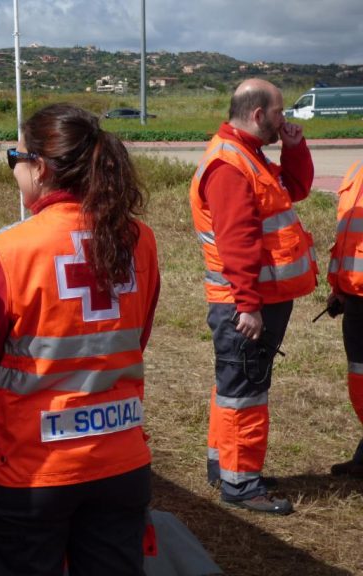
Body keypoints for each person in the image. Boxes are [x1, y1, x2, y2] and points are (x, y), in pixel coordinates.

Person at [0, 103, 160, 575]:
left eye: (16, 157)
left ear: (41, 168)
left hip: (29, 466)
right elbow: (136, 338)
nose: (14, 169)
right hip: (122, 460)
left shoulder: (8, 252)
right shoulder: (140, 241)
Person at [189, 78, 317, 515]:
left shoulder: (249, 155)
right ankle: (241, 484)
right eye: (281, 112)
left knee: (234, 384)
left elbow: (294, 189)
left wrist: (294, 148)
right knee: (245, 389)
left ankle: (224, 465)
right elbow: (237, 242)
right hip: (245, 303)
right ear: (259, 114)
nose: (287, 119)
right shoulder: (230, 165)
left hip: (254, 298)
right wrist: (247, 304)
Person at [326, 160, 363, 478]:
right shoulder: (355, 170)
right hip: (354, 298)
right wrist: (338, 287)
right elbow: (347, 235)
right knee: (359, 379)